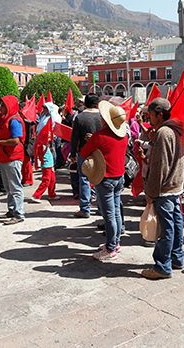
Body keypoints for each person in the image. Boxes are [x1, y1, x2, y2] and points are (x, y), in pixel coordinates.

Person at [141, 98, 184, 279]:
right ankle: (176, 258)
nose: (149, 118)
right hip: (175, 185)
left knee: (165, 228)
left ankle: (162, 266)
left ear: (159, 114)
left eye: (151, 114)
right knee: (175, 224)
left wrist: (151, 193)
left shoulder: (164, 132)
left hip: (165, 188)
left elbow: (159, 166)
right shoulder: (177, 129)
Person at [81, 101, 128, 261]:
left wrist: (90, 140)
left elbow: (84, 152)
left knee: (109, 215)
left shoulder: (99, 136)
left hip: (105, 178)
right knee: (115, 211)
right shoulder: (124, 136)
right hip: (119, 177)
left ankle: (110, 248)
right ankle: (116, 243)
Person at [70, 93, 102, 218]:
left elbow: (74, 138)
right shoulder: (102, 116)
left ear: (85, 103)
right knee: (100, 178)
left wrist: (72, 153)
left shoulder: (80, 117)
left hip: (84, 151)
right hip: (100, 152)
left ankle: (85, 208)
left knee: (84, 179)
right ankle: (101, 207)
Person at [0, 95, 25, 225]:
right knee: (8, 187)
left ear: (8, 107)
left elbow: (15, 140)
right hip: (5, 156)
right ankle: (12, 210)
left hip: (12, 157)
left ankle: (19, 213)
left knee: (15, 187)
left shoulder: (14, 121)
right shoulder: (4, 119)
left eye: (2, 105)